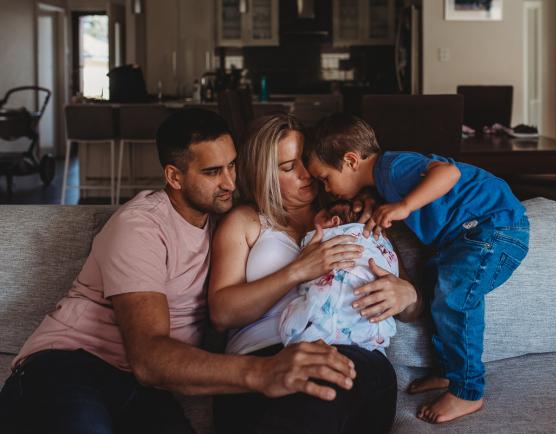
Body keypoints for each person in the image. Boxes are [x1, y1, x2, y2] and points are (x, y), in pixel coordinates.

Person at [0, 109, 357, 434]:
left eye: (232, 166)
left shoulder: (228, 219)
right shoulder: (140, 226)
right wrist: (262, 372)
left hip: (139, 390)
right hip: (66, 368)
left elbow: (279, 205)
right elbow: (149, 356)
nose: (230, 183)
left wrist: (363, 202)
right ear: (174, 176)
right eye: (213, 172)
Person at [305, 113, 530, 424]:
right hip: (464, 237)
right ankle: (449, 372)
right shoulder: (380, 184)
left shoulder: (394, 167)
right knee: (434, 282)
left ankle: (468, 391)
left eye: (324, 178)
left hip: (494, 226)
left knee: (455, 297)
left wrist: (404, 206)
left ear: (350, 160)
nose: (326, 189)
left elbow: (448, 173)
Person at [209, 114, 421, 434]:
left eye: (306, 160)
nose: (306, 174)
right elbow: (222, 314)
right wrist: (298, 270)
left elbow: (412, 307)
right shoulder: (246, 221)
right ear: (263, 174)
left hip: (351, 352)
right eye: (288, 167)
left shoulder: (354, 213)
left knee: (328, 393)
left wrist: (408, 295)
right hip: (260, 359)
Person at [279, 199, 400, 352]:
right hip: (373, 325)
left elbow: (306, 262)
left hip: (329, 314)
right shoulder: (384, 243)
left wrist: (307, 248)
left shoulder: (324, 235)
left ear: (334, 221)